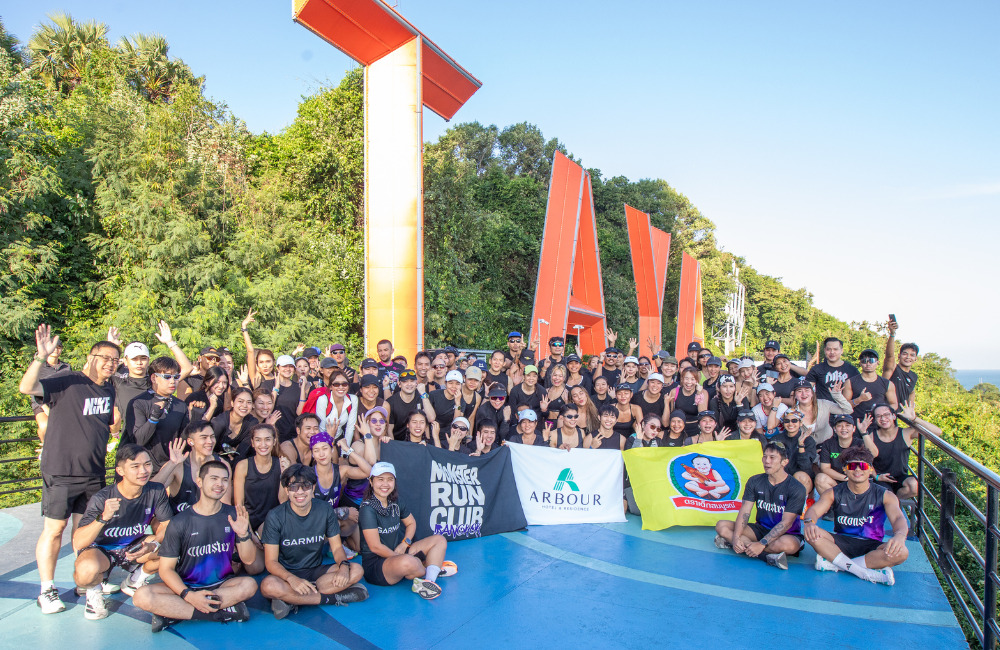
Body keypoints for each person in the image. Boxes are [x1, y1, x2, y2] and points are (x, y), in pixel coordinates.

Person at [18, 325, 120, 614]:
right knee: (55, 529)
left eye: (114, 360)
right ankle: (47, 589)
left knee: (84, 529)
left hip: (93, 472)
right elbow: (27, 388)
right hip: (61, 470)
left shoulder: (109, 388)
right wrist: (40, 358)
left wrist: (111, 347)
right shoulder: (66, 380)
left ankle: (84, 581)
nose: (110, 364)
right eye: (104, 358)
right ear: (90, 357)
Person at [132, 461, 260, 632]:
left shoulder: (233, 514)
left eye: (224, 480)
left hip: (221, 585)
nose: (219, 484)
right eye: (214, 478)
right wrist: (189, 596)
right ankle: (220, 613)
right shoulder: (180, 521)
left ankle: (174, 613)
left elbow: (249, 559)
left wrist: (244, 534)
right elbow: (166, 570)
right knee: (141, 596)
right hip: (186, 586)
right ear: (199, 482)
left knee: (249, 585)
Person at [71, 444, 172, 620]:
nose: (143, 471)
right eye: (135, 466)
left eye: (147, 464)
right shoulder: (102, 498)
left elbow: (167, 525)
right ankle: (94, 591)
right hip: (102, 550)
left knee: (173, 546)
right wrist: (103, 518)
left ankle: (135, 580)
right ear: (120, 470)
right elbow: (78, 543)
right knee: (85, 572)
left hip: (133, 547)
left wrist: (153, 543)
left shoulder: (156, 490)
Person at [260, 464, 368, 618]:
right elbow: (271, 562)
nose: (300, 492)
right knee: (268, 586)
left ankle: (292, 600)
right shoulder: (275, 516)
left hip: (317, 572)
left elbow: (337, 548)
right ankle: (329, 598)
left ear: (313, 488)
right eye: (293, 487)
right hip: (287, 574)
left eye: (305, 486)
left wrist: (343, 567)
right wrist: (292, 579)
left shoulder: (325, 510)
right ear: (286, 490)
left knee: (356, 570)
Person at [803, 446, 909, 585]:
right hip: (841, 543)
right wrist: (810, 523)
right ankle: (863, 572)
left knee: (902, 553)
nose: (858, 469)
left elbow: (898, 519)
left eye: (863, 466)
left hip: (872, 545)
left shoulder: (885, 495)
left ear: (870, 469)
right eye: (852, 466)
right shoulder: (834, 492)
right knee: (811, 534)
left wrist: (900, 536)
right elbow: (814, 511)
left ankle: (838, 565)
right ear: (845, 469)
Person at [359, 462, 457, 600]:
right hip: (377, 565)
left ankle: (429, 580)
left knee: (439, 540)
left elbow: (411, 523)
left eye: (390, 479)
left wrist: (405, 543)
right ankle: (431, 568)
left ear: (394, 482)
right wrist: (398, 556)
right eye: (380, 479)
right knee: (409, 562)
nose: (385, 484)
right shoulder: (367, 509)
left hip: (398, 551)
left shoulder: (396, 501)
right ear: (371, 481)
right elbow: (375, 547)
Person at [714, 441, 807, 570]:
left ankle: (742, 546)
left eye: (772, 457)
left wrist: (762, 543)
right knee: (722, 526)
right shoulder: (755, 481)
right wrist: (736, 537)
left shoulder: (796, 488)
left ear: (784, 462)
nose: (766, 461)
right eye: (765, 456)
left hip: (787, 534)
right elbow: (745, 511)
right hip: (760, 528)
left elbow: (786, 523)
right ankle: (766, 556)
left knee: (788, 546)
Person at [122, 356, 190, 472]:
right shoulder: (139, 403)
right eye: (167, 377)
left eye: (176, 377)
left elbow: (184, 441)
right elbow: (138, 441)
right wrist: (154, 418)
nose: (173, 381)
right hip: (144, 469)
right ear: (154, 378)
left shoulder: (181, 405)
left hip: (171, 468)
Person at [154, 421, 231, 513]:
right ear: (190, 441)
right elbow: (151, 491)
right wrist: (172, 464)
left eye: (212, 436)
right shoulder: (178, 465)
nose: (210, 441)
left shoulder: (223, 465)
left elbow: (226, 504)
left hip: (209, 521)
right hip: (179, 522)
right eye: (204, 437)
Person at [309, 431, 368, 550]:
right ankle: (331, 547)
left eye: (325, 448)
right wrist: (343, 511)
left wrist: (348, 449)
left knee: (359, 547)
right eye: (316, 450)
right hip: (315, 524)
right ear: (312, 455)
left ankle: (340, 544)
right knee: (339, 520)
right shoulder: (308, 475)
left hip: (334, 519)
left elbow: (368, 471)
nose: (321, 454)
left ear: (332, 450)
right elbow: (311, 513)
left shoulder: (341, 471)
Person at [860, 403, 927, 500]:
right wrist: (877, 477)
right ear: (875, 420)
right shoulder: (870, 436)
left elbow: (937, 432)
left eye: (886, 414)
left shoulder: (906, 433)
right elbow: (865, 461)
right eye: (879, 416)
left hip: (900, 477)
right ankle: (892, 504)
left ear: (894, 416)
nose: (883, 418)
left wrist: (914, 419)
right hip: (881, 479)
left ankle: (894, 503)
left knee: (915, 485)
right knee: (886, 495)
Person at [234, 423, 289, 534]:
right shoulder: (243, 466)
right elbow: (239, 504)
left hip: (274, 524)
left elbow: (283, 501)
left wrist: (285, 473)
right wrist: (249, 532)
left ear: (274, 442)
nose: (263, 444)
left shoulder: (282, 463)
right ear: (252, 443)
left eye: (267, 439)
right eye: (258, 440)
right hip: (247, 524)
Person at [816, 413, 868, 495]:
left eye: (848, 425)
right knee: (820, 478)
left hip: (856, 478)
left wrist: (864, 433)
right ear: (834, 429)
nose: (844, 428)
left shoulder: (860, 443)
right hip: (837, 480)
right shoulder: (828, 444)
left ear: (854, 428)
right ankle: (835, 506)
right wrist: (846, 478)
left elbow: (874, 454)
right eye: (840, 425)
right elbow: (825, 468)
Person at [789, 377, 852, 444]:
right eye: (799, 391)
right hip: (805, 448)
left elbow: (848, 410)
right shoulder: (792, 412)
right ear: (795, 395)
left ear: (812, 393)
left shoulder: (824, 404)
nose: (804, 394)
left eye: (807, 390)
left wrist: (837, 396)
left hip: (827, 445)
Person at [769, 410, 816, 493]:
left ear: (800, 423)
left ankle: (801, 503)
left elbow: (805, 467)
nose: (790, 424)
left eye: (794, 420)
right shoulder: (776, 439)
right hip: (781, 477)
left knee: (800, 476)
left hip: (801, 479)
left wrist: (801, 444)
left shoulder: (808, 440)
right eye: (787, 421)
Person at [805, 337, 860, 402]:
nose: (832, 352)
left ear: (841, 350)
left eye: (835, 349)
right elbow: (806, 390)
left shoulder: (852, 370)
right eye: (829, 349)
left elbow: (858, 391)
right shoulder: (817, 369)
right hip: (823, 409)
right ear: (825, 350)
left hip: (844, 409)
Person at [848, 349, 898, 421]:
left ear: (877, 363)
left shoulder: (887, 383)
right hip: (857, 423)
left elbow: (894, 404)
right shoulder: (850, 382)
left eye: (871, 361)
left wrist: (883, 413)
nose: (868, 364)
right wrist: (859, 399)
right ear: (860, 363)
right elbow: (844, 406)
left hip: (879, 424)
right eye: (864, 361)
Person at [882, 318, 918, 411]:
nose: (908, 357)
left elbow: (911, 392)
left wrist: (910, 409)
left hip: (895, 415)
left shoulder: (913, 376)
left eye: (912, 355)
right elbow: (889, 356)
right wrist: (892, 334)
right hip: (882, 411)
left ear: (916, 359)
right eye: (905, 354)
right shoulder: (893, 369)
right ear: (899, 356)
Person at [386, 369, 430, 441]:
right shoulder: (391, 402)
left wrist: (423, 394)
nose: (409, 384)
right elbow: (389, 429)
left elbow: (430, 419)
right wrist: (394, 447)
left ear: (416, 383)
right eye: (405, 381)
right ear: (399, 384)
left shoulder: (422, 397)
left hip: (417, 442)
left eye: (412, 381)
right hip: (398, 442)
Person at [213, 387, 257, 459]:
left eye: (249, 402)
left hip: (236, 461)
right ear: (232, 403)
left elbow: (243, 452)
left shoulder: (252, 423)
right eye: (240, 401)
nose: (245, 406)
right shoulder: (219, 423)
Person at [668, 367, 708, 435]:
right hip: (677, 428)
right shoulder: (674, 391)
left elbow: (702, 414)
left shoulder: (703, 392)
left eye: (692, 379)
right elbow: (671, 413)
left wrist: (699, 394)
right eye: (686, 378)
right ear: (682, 379)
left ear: (696, 381)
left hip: (695, 428)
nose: (689, 382)